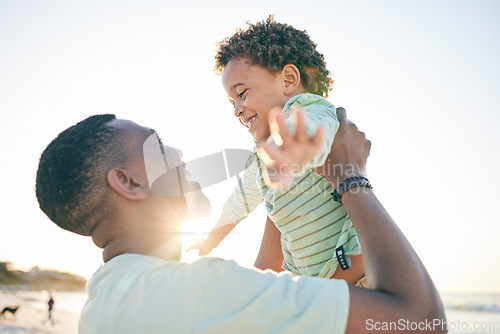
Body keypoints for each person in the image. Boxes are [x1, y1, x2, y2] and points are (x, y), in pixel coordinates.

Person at [35, 109, 446, 333]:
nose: (177, 151)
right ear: (128, 182)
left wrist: (282, 188)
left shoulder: (103, 304)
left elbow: (258, 292)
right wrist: (349, 175)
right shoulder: (200, 290)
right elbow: (420, 318)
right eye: (157, 145)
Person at [188, 16, 364, 283]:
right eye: (232, 102)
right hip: (314, 279)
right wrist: (209, 242)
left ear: (289, 79)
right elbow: (238, 203)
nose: (237, 110)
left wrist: (293, 153)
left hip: (351, 265)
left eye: (243, 93)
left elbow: (315, 134)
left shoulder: (311, 109)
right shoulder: (263, 157)